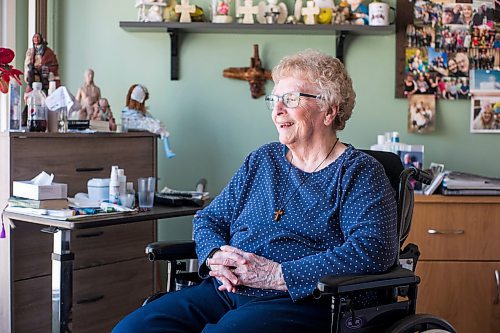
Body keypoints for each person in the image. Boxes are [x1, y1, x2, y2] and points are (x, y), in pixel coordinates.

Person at [112, 50, 398, 333]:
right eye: (274, 100)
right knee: (133, 328)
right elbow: (209, 219)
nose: (277, 110)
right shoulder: (263, 160)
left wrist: (279, 274)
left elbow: (373, 250)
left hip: (302, 299)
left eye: (291, 99)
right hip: (227, 289)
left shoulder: (359, 171)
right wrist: (213, 256)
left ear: (330, 109)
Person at [122, 84, 176, 158]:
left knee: (157, 124)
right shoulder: (129, 113)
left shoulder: (130, 112)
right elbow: (141, 120)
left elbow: (149, 117)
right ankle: (167, 149)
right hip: (136, 125)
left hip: (137, 124)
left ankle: (167, 149)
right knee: (156, 125)